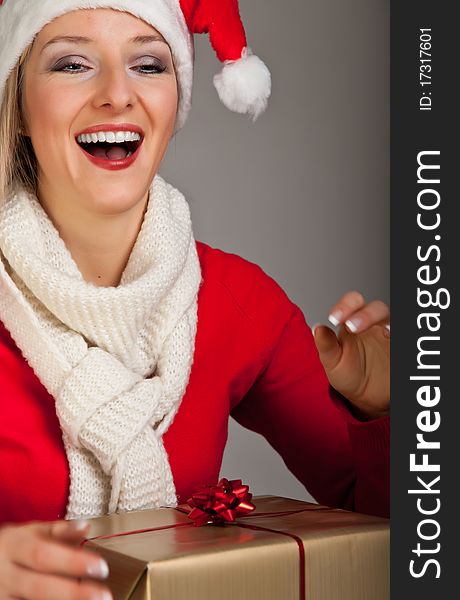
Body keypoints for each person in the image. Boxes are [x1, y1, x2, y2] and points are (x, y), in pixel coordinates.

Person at [0, 1, 390, 598]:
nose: (116, 94)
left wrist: (387, 411)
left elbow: (393, 533)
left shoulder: (237, 302)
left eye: (148, 65)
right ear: (20, 103)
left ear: (174, 103)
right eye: (73, 63)